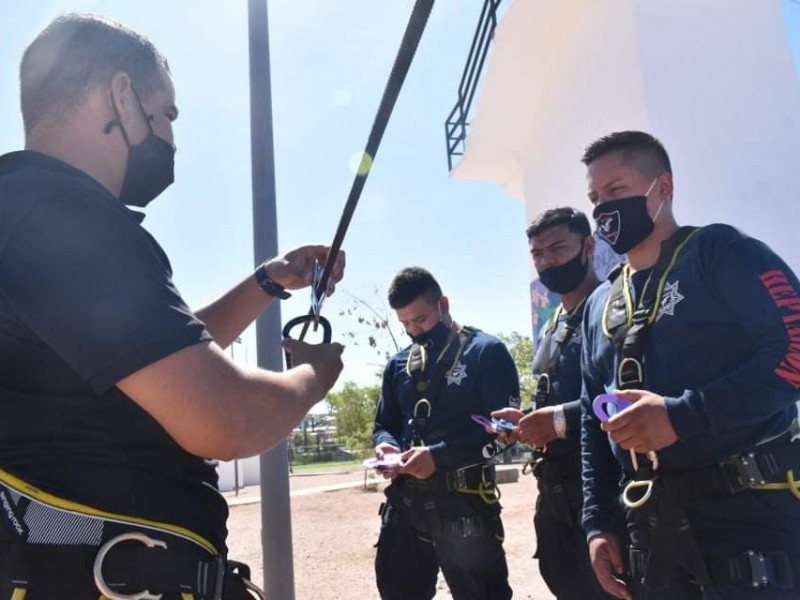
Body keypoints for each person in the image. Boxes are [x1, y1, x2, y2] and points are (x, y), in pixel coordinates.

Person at [0, 13, 345, 600]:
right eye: (168, 114)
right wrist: (316, 373)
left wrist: (267, 282)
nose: (172, 138)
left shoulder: (24, 212)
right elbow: (225, 416)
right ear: (122, 96)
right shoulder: (64, 217)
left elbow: (156, 363)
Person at [579, 130, 800, 599]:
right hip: (650, 533)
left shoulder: (721, 252)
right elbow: (589, 422)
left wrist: (683, 415)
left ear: (664, 187)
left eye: (616, 191)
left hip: (748, 520)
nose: (603, 210)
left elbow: (794, 352)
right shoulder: (598, 304)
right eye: (595, 198)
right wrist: (597, 524)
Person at [372, 266, 520, 600]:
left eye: (421, 319)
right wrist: (386, 447)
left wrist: (439, 456)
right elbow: (384, 424)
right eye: (405, 324)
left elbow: (505, 432)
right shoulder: (397, 365)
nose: (414, 331)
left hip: (465, 510)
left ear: (444, 304)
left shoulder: (486, 352)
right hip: (404, 509)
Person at [493, 208, 613, 599]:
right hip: (555, 491)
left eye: (558, 248)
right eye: (538, 254)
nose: (547, 261)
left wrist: (559, 420)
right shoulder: (552, 322)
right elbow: (557, 398)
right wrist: (526, 421)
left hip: (602, 485)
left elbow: (629, 396)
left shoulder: (613, 307)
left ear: (588, 246)